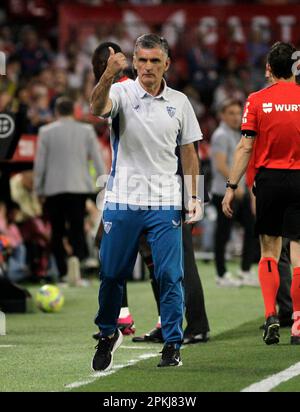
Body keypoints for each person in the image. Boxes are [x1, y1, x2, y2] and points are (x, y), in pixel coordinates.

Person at [90, 33, 203, 370]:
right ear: (134, 62)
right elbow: (96, 107)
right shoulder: (121, 91)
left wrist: (193, 195)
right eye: (142, 60)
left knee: (170, 274)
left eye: (155, 61)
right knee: (111, 274)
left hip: (165, 202)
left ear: (167, 64)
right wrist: (108, 73)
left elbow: (189, 152)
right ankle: (108, 332)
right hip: (123, 199)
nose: (148, 67)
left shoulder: (180, 102)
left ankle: (171, 343)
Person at [222, 42, 300, 345]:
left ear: (269, 69)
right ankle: (297, 322)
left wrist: (231, 187)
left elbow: (245, 146)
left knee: (269, 252)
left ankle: (270, 317)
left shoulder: (256, 100)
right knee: (297, 255)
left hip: (268, 181)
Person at [34, 96, 105, 280]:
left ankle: (63, 272)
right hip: (78, 187)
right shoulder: (86, 130)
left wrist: (38, 189)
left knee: (57, 231)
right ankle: (79, 272)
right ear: (74, 110)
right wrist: (103, 182)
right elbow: (97, 159)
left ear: (56, 111)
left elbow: (40, 164)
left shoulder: (45, 131)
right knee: (77, 229)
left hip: (53, 189)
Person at [211, 99, 257, 287]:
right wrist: (235, 186)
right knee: (222, 235)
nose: (236, 117)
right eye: (231, 113)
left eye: (238, 113)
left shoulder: (237, 134)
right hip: (224, 193)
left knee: (251, 228)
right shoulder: (220, 135)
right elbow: (220, 165)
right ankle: (221, 275)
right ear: (222, 115)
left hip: (239, 191)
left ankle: (245, 271)